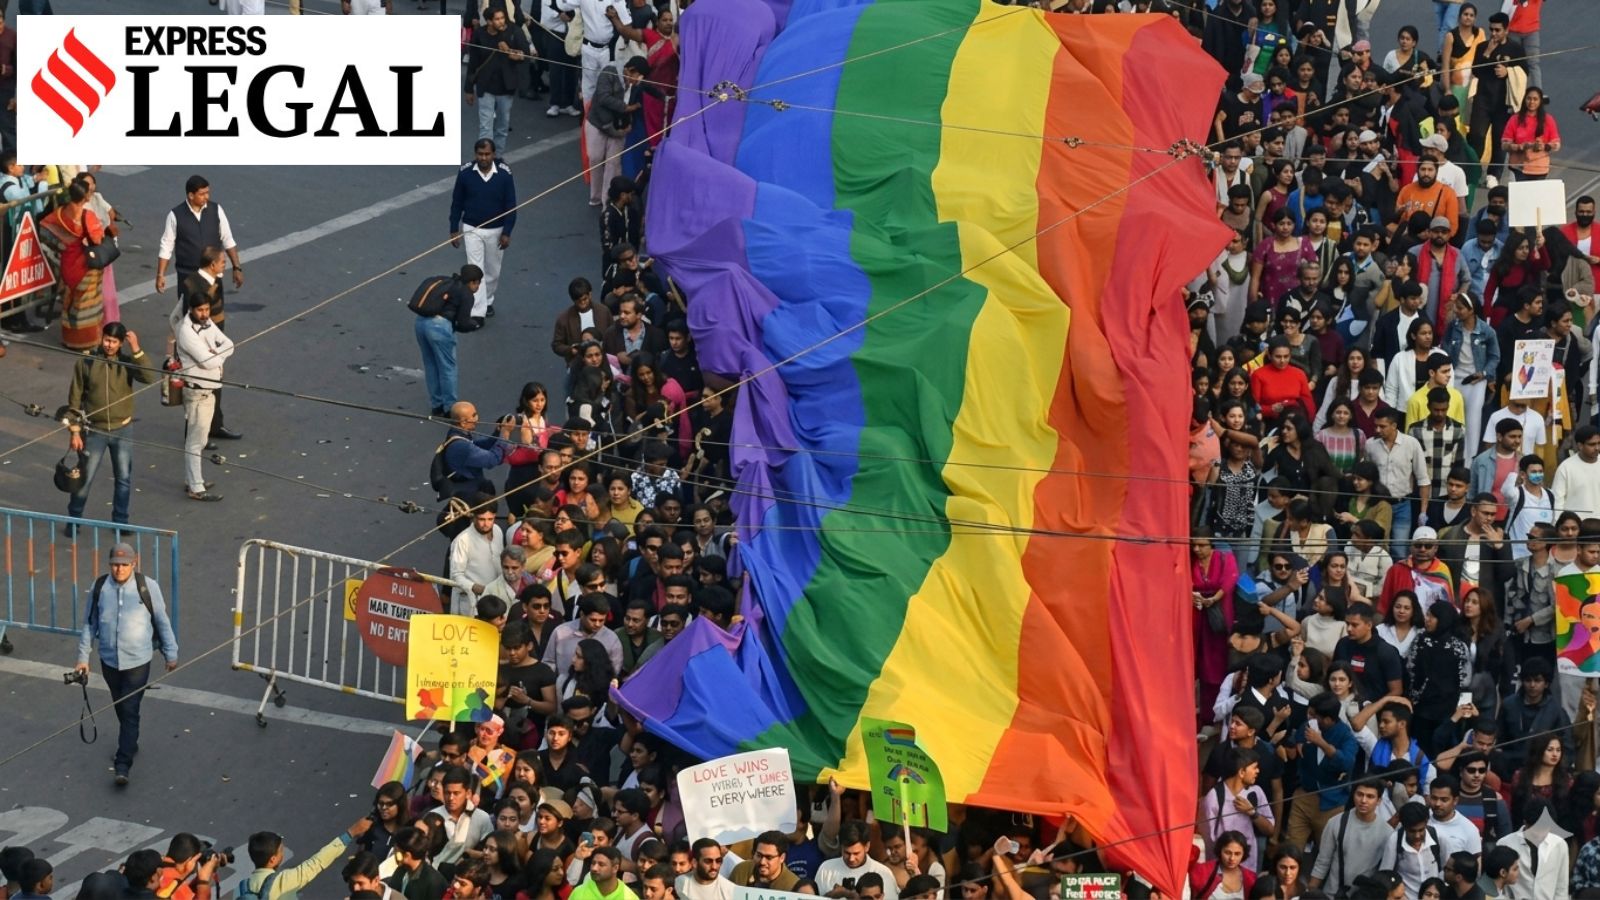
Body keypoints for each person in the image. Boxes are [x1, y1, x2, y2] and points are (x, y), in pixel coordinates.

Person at [74, 542, 177, 786]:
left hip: (138, 663)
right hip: (109, 662)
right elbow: (90, 623)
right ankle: (130, 741)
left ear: (134, 563)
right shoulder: (100, 587)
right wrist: (83, 657)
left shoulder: (147, 587)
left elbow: (161, 620)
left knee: (129, 709)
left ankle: (123, 763)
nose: (119, 569)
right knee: (121, 707)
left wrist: (171, 652)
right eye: (115, 565)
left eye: (124, 565)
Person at [155, 175, 244, 439]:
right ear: (191, 195)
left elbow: (228, 239)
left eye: (207, 192)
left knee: (214, 368)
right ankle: (195, 431)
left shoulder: (215, 211)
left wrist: (237, 267)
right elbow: (166, 246)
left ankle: (215, 425)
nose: (207, 197)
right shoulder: (176, 215)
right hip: (189, 283)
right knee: (195, 365)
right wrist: (160, 274)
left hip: (211, 285)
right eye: (202, 193)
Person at [60, 321, 155, 529]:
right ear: (101, 338)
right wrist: (74, 432)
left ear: (121, 343)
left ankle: (121, 522)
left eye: (114, 342)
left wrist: (136, 349)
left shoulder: (127, 363)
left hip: (123, 430)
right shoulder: (86, 362)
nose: (109, 345)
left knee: (123, 479)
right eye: (106, 340)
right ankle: (74, 521)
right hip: (94, 431)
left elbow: (149, 377)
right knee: (84, 479)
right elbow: (74, 400)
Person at [450, 141, 516, 325]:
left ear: (493, 154)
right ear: (475, 154)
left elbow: (511, 205)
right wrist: (454, 228)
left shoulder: (504, 174)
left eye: (487, 154)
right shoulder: (465, 173)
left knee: (493, 271)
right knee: (475, 271)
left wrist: (507, 232)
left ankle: (488, 300)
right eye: (480, 154)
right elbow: (457, 202)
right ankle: (477, 312)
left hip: (497, 230)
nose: (483, 158)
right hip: (472, 229)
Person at [240, 816, 373, 899]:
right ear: (272, 859)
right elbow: (316, 863)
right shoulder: (283, 881)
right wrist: (350, 833)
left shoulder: (243, 887)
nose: (283, 853)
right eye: (280, 851)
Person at [415, 265, 483, 417]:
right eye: (477, 283)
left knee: (431, 364)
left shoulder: (447, 282)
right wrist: (474, 325)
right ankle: (450, 408)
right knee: (447, 367)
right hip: (439, 328)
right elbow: (463, 323)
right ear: (472, 282)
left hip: (420, 323)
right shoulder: (466, 294)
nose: (478, 287)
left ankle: (436, 405)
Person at [464, 7, 528, 155]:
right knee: (485, 127)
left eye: (502, 18)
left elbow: (525, 54)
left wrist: (511, 52)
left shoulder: (514, 31)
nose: (501, 22)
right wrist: (468, 89)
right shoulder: (480, 34)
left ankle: (497, 157)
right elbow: (473, 63)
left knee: (502, 126)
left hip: (506, 87)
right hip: (485, 86)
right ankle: (485, 158)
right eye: (497, 19)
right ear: (489, 21)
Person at [586, 59, 648, 209]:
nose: (638, 81)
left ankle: (608, 201)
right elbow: (603, 99)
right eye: (637, 76)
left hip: (620, 128)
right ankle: (595, 196)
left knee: (613, 164)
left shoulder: (635, 86)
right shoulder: (609, 72)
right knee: (595, 158)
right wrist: (626, 108)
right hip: (598, 123)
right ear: (630, 70)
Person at [451, 496, 506, 617]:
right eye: (481, 519)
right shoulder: (462, 540)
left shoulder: (497, 531)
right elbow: (455, 576)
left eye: (490, 519)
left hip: (496, 600)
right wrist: (474, 587)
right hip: (470, 604)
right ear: (473, 517)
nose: (486, 524)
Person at [1552, 426, 1600, 518]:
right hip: (1576, 525)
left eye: (1599, 443)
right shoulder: (1565, 468)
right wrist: (1558, 523)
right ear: (1580, 446)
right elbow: (1557, 501)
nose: (1597, 448)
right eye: (1592, 444)